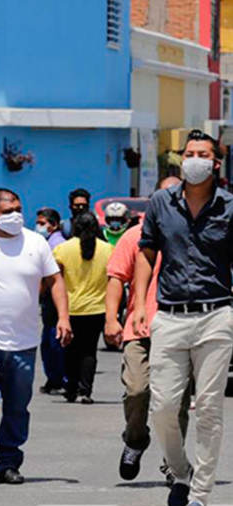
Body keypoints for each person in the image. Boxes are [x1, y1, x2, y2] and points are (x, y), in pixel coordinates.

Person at [133, 129, 233, 506]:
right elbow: (146, 253)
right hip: (170, 315)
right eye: (188, 153)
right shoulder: (161, 202)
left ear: (215, 163)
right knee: (162, 406)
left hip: (216, 316)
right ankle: (180, 472)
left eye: (202, 154)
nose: (193, 159)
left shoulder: (229, 205)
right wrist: (140, 303)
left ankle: (200, 494)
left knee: (209, 409)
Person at [0, 189, 72, 486]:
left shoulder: (36, 243)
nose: (15, 215)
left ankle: (8, 462)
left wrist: (63, 317)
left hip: (24, 343)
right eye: (8, 211)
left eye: (18, 208)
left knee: (17, 406)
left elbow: (55, 280)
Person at [104, 176, 190, 483]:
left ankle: (174, 462)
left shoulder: (194, 231)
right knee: (137, 391)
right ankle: (136, 439)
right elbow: (116, 277)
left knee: (175, 402)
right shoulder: (134, 236)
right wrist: (111, 318)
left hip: (182, 328)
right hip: (140, 330)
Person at [53, 212, 113, 404]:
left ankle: (70, 388)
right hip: (97, 309)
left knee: (70, 350)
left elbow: (57, 280)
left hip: (70, 309)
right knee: (89, 351)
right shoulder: (108, 249)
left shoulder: (63, 249)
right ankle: (85, 391)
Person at [35, 208, 67, 395]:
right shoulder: (47, 242)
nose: (38, 226)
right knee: (48, 341)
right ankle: (54, 379)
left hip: (53, 301)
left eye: (42, 223)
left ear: (53, 225)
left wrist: (37, 294)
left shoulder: (57, 245)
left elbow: (53, 278)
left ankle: (58, 379)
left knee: (54, 342)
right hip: (49, 302)